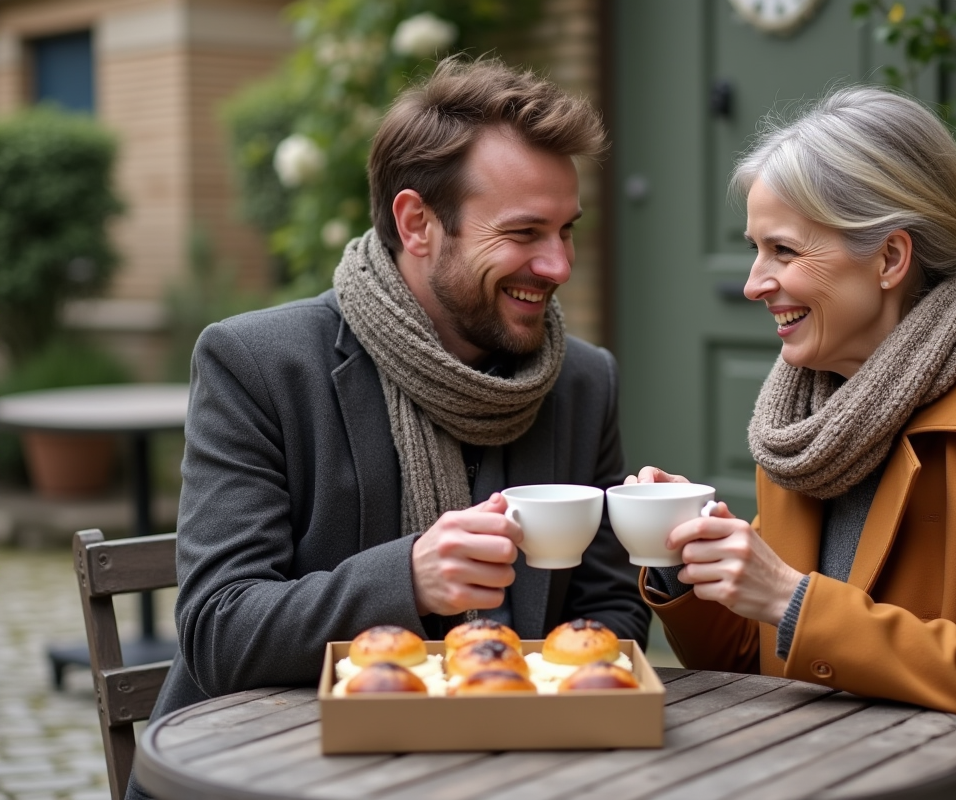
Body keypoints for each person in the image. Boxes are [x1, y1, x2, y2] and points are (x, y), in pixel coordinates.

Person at [129, 57, 649, 798]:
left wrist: (663, 554)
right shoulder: (259, 364)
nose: (559, 263)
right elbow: (220, 629)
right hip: (272, 772)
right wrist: (407, 578)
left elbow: (612, 615)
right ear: (417, 224)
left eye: (567, 230)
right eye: (525, 232)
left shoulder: (583, 381)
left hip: (521, 769)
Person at [632, 86, 956, 800]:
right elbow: (759, 662)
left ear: (889, 260)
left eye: (782, 250)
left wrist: (790, 599)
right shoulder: (806, 423)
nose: (755, 283)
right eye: (755, 250)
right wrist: (684, 565)